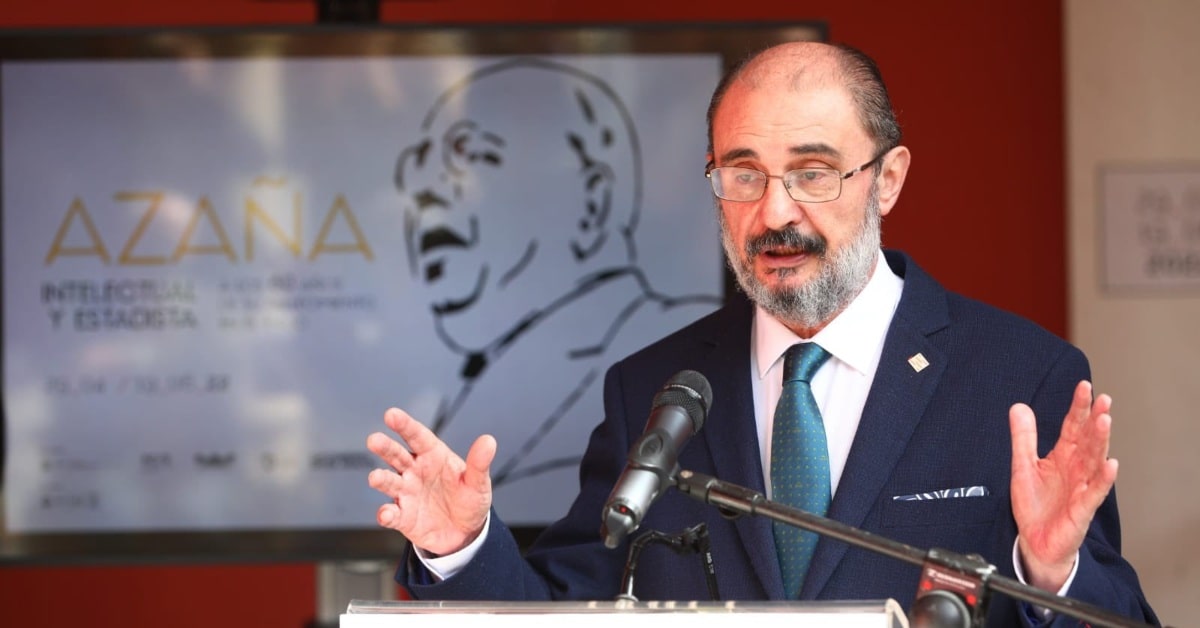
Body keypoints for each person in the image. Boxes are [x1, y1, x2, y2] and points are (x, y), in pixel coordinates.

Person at [368, 42, 1158, 624]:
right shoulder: (652, 389)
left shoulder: (1022, 377)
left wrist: (1049, 574)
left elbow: (1125, 617)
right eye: (744, 175)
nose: (775, 212)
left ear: (887, 179)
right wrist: (462, 547)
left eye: (813, 173)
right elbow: (569, 611)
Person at [392, 58, 720, 525]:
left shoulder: (687, 363)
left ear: (592, 204)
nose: (424, 191)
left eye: (472, 159)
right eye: (417, 167)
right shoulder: (460, 393)